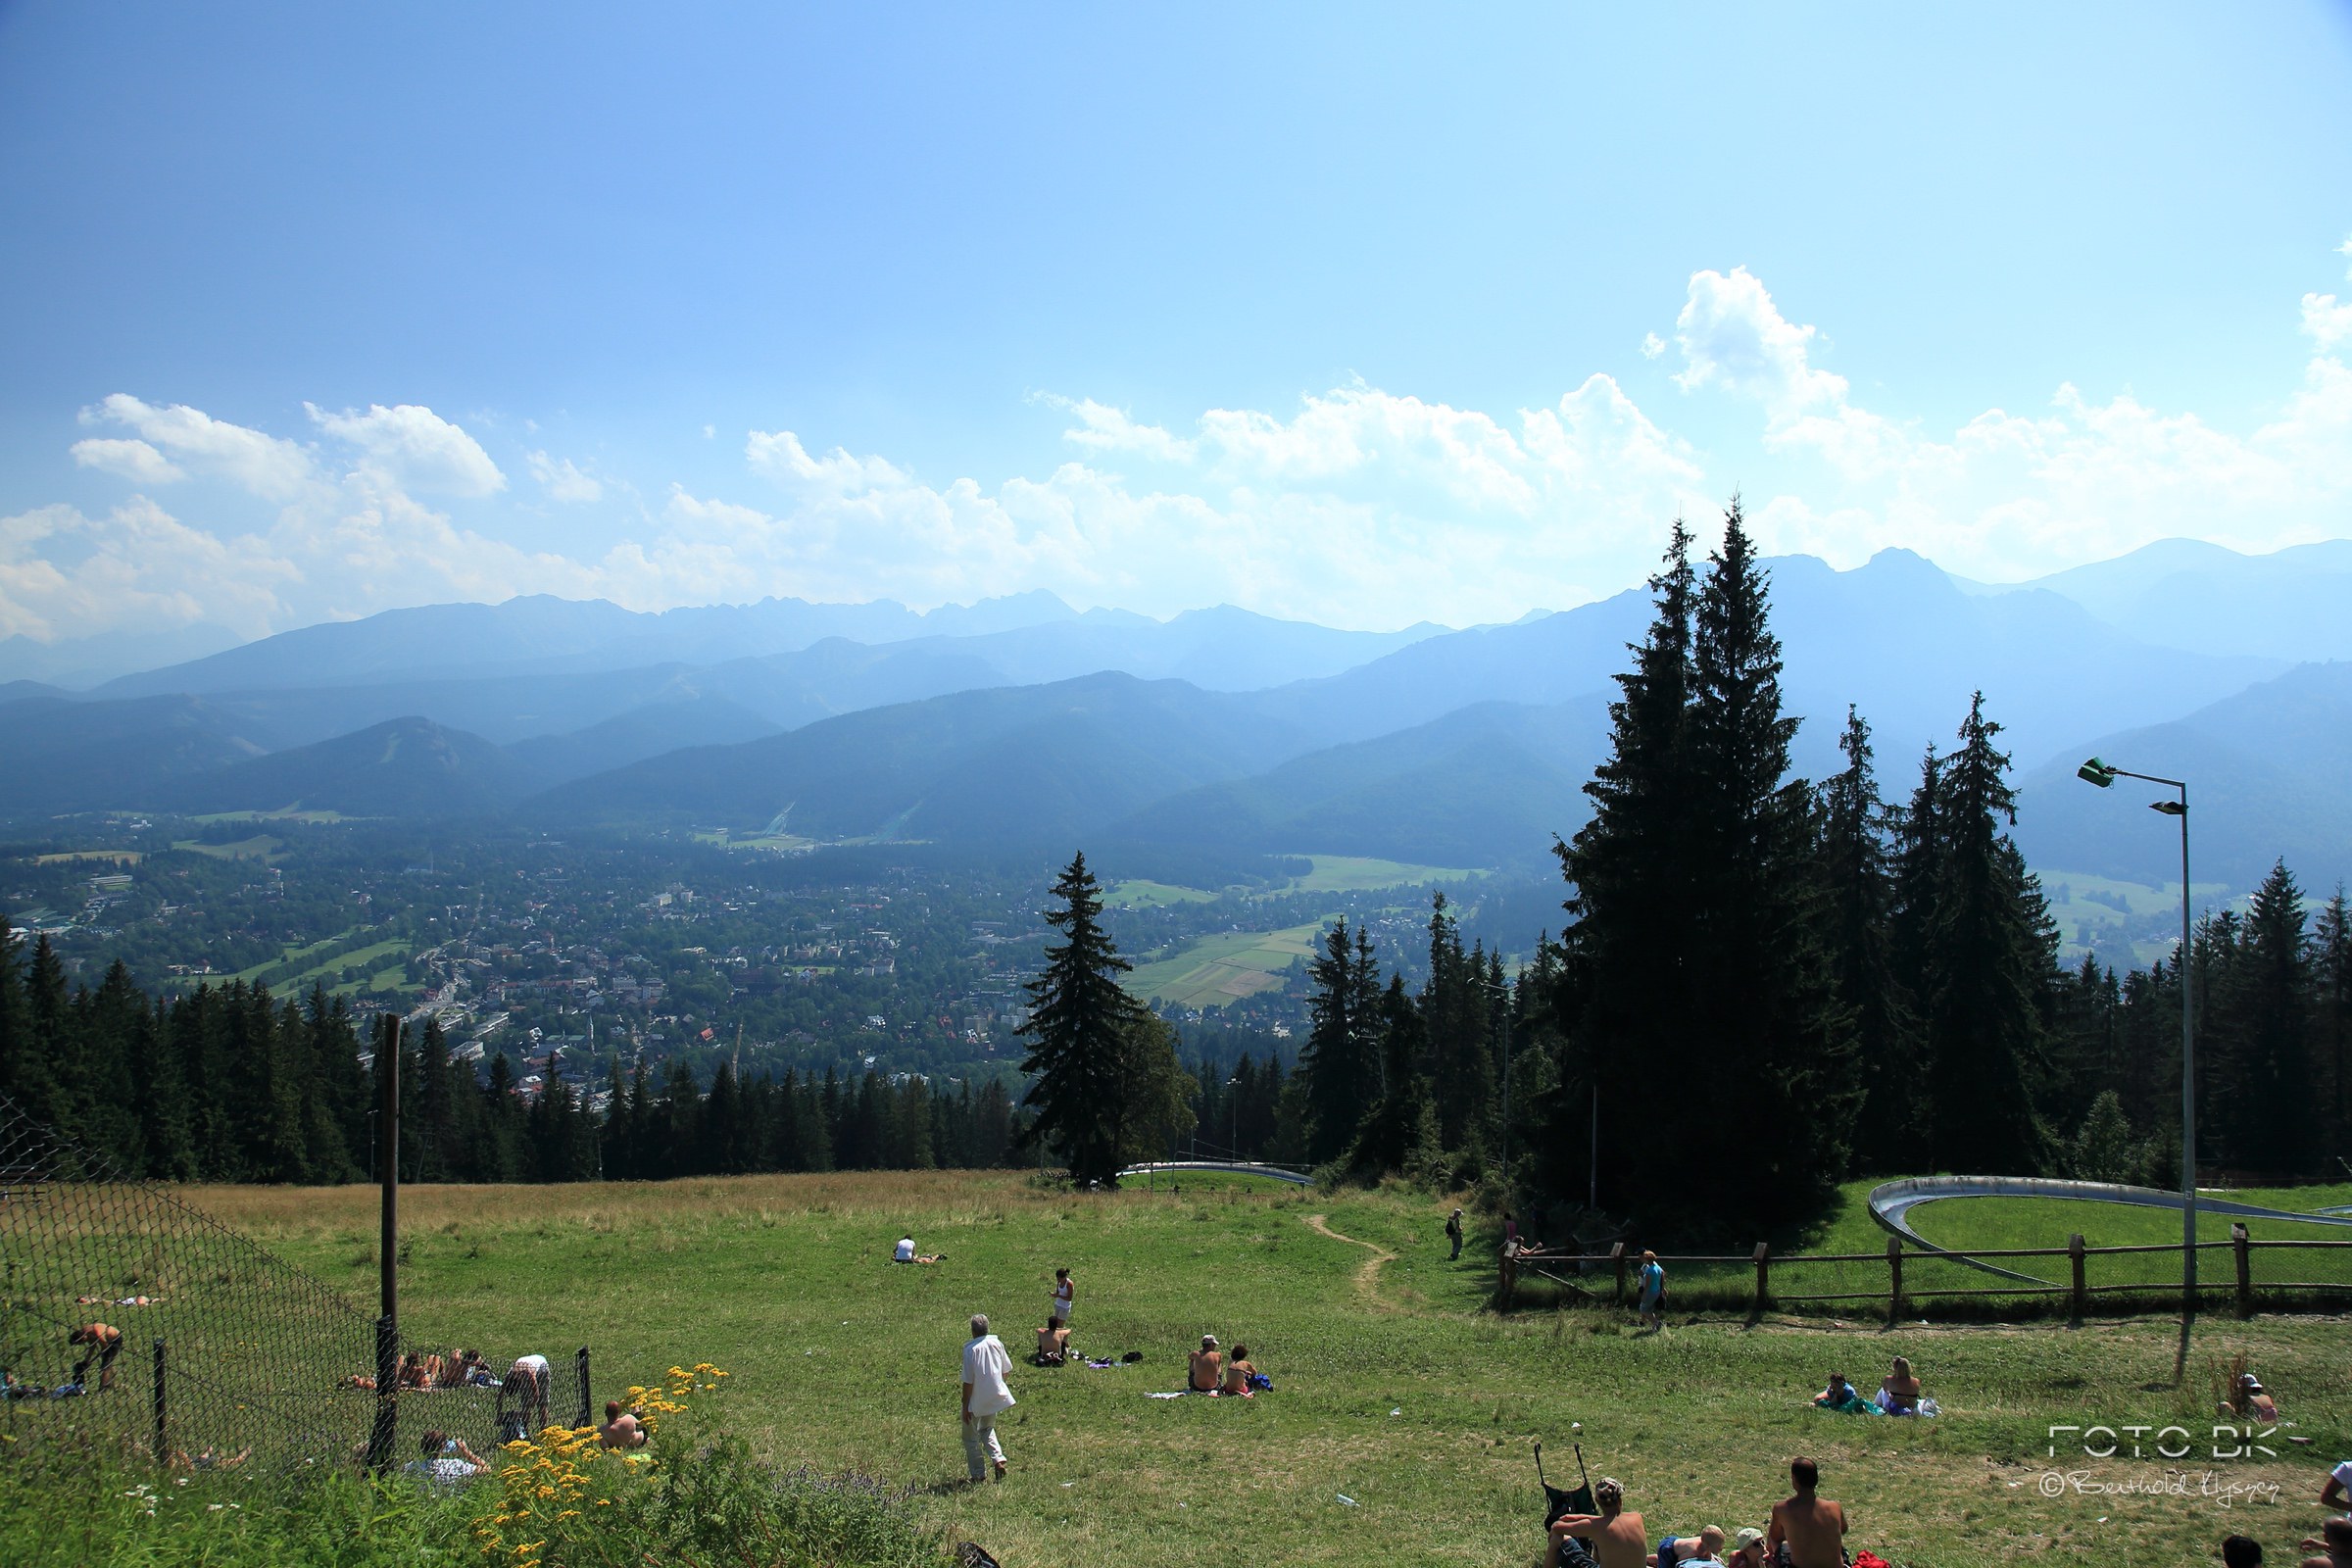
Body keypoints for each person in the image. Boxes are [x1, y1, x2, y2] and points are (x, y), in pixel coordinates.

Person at [1545, 1476, 1647, 1568]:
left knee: (1557, 1537)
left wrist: (1564, 1519)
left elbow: (1556, 1527)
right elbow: (1604, 1521)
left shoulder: (1596, 1527)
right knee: (1600, 1541)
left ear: (1597, 1501)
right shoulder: (1636, 1517)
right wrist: (1572, 1517)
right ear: (1620, 1499)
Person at [960, 1313, 1014, 1483]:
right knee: (987, 1428)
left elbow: (968, 1381)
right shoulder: (997, 1343)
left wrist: (965, 1404)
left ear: (973, 1331)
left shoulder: (971, 1350)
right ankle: (997, 1458)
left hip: (977, 1398)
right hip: (994, 1395)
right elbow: (1006, 1370)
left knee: (970, 1436)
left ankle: (978, 1473)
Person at [1768, 1457, 1848, 1568]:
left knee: (1774, 1542)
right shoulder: (1834, 1507)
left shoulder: (1782, 1509)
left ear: (1794, 1479)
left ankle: (1767, 1562)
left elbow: (1776, 1536)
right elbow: (1843, 1529)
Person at [405, 1428, 488, 1491]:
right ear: (443, 1447)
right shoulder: (455, 1465)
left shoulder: (412, 1467)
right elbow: (487, 1469)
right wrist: (465, 1451)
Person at [68, 1323, 122, 1391]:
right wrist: (87, 1360)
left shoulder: (97, 1333)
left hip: (115, 1339)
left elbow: (105, 1347)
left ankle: (102, 1389)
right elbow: (92, 1345)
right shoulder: (86, 1332)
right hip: (106, 1340)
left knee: (105, 1365)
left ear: (84, 1338)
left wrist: (95, 1358)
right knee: (107, 1364)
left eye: (81, 1343)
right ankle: (111, 1384)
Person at [508, 1352, 552, 1432]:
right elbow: (501, 1393)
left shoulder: (529, 1373)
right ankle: (525, 1430)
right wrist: (499, 1412)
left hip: (542, 1367)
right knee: (525, 1404)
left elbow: (536, 1394)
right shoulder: (510, 1374)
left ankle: (543, 1430)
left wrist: (531, 1404)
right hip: (527, 1366)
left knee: (542, 1404)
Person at [1651, 1525, 1728, 1565]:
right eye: (1719, 1548)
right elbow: (1679, 1560)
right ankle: (1646, 1560)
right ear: (1708, 1546)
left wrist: (1713, 1558)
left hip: (1677, 1543)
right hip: (1667, 1550)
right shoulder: (1694, 1552)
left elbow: (1708, 1553)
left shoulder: (1705, 1541)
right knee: (1667, 1564)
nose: (1721, 1549)